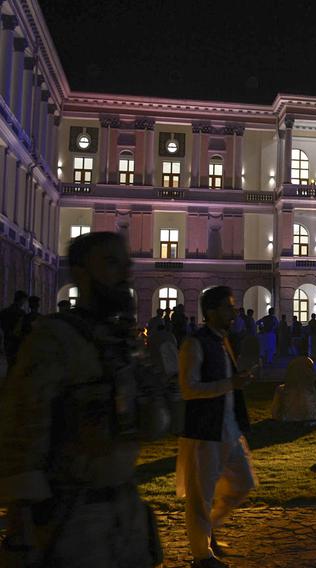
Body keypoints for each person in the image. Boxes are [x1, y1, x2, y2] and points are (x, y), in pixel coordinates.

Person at [0, 232, 169, 566]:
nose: (123, 274)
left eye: (126, 265)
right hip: (73, 516)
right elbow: (22, 433)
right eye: (110, 263)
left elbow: (153, 423)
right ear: (79, 272)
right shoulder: (55, 338)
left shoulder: (122, 340)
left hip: (125, 509)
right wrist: (23, 527)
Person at [176, 286, 258, 568]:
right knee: (201, 497)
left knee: (244, 482)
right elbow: (188, 389)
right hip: (204, 431)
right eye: (227, 307)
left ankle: (208, 530)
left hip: (228, 428)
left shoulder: (223, 341)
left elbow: (226, 383)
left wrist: (239, 380)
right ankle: (201, 556)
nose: (234, 312)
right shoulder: (194, 343)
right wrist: (230, 384)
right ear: (211, 311)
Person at [0, 290, 27, 368]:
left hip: (7, 340)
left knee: (10, 364)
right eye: (24, 300)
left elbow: (2, 327)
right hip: (18, 341)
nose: (24, 303)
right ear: (21, 299)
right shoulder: (21, 313)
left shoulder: (4, 312)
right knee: (17, 365)